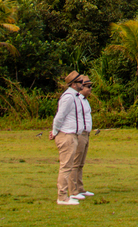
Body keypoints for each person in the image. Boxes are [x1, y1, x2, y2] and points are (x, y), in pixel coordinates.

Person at [48, 70, 83, 206]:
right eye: (80, 82)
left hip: (72, 135)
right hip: (67, 135)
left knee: (68, 166)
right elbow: (59, 117)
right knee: (66, 167)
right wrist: (55, 132)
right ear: (73, 84)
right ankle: (62, 197)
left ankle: (65, 195)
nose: (82, 84)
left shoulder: (75, 96)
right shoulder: (68, 97)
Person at [71, 76, 95, 199]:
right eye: (88, 86)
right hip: (80, 134)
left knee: (81, 163)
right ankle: (73, 190)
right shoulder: (77, 100)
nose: (90, 89)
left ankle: (80, 188)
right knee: (76, 162)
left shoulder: (85, 101)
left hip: (86, 133)